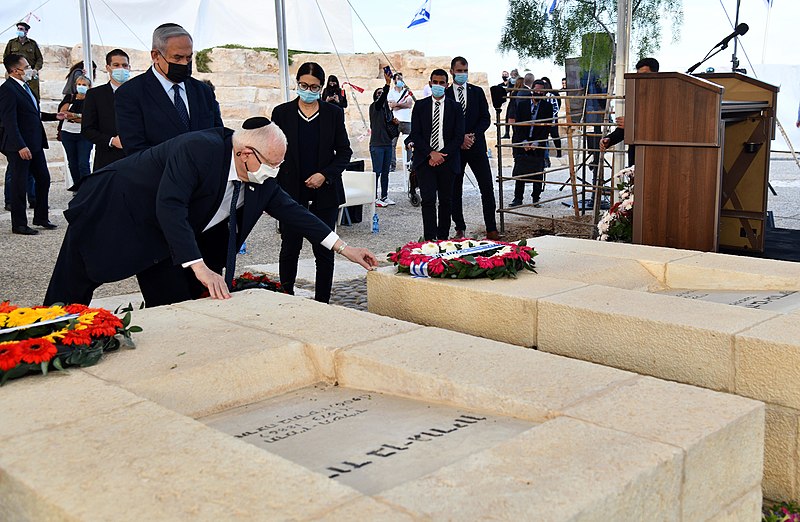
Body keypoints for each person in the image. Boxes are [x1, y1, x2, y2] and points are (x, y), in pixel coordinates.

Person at [44, 118, 377, 307]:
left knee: (176, 306)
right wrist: (199, 266)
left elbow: (294, 212)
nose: (274, 172)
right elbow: (170, 205)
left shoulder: (258, 176)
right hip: (112, 210)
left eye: (280, 165)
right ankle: (41, 351)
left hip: (165, 236)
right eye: (270, 164)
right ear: (246, 153)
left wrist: (345, 248)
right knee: (71, 292)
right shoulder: (198, 149)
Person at [271, 62, 352, 304]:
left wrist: (324, 175)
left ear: (322, 88)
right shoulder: (281, 113)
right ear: (297, 84)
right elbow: (272, 152)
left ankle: (322, 302)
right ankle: (287, 296)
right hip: (290, 193)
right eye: (304, 85)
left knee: (325, 251)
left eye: (314, 87)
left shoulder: (333, 113)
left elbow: (344, 152)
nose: (309, 91)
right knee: (289, 249)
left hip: (324, 193)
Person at [115, 23, 222, 155]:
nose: (184, 63)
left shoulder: (203, 92)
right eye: (177, 58)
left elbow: (218, 136)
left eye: (188, 58)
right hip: (159, 174)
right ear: (155, 56)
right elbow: (135, 150)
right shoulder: (130, 93)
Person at [0, 54, 62, 235]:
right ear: (15, 70)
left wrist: (53, 117)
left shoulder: (26, 87)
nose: (30, 69)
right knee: (19, 184)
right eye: (26, 67)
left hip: (34, 144)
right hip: (19, 146)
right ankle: (19, 224)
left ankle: (41, 217)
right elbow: (9, 121)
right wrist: (20, 145)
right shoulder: (7, 90)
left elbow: (32, 113)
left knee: (43, 179)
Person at [406, 69, 465, 240]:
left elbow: (458, 136)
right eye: (435, 82)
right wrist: (431, 154)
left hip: (448, 161)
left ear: (447, 85)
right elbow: (415, 134)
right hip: (425, 161)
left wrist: (441, 155)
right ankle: (430, 239)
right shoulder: (420, 106)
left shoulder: (455, 107)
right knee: (428, 200)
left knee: (446, 202)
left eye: (442, 82)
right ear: (430, 83)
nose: (438, 85)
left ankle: (443, 239)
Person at [445, 56, 498, 240]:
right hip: (455, 149)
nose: (462, 74)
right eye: (459, 71)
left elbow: (485, 118)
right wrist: (459, 139)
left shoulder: (477, 92)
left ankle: (491, 228)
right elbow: (444, 123)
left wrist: (472, 135)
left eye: (465, 70)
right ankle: (459, 227)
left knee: (487, 187)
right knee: (455, 190)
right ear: (452, 71)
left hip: (476, 147)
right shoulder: (445, 94)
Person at [600, 57, 660, 166]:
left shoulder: (664, 98)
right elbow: (625, 127)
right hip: (636, 156)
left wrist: (633, 124)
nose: (640, 79)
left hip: (655, 155)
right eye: (638, 75)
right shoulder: (634, 97)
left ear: (655, 75)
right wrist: (610, 139)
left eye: (645, 75)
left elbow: (661, 125)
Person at [81, 49, 131, 170]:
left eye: (124, 65)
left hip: (135, 159)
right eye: (116, 65)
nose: (121, 68)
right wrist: (112, 141)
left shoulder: (139, 92)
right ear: (108, 68)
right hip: (107, 160)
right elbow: (87, 129)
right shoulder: (95, 95)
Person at [509, 79, 554, 208]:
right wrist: (524, 142)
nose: (538, 92)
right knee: (520, 170)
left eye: (541, 90)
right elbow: (518, 125)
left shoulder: (547, 106)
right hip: (522, 141)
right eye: (536, 89)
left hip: (538, 142)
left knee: (538, 171)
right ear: (532, 90)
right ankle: (518, 198)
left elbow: (546, 127)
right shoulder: (522, 105)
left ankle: (536, 198)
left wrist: (536, 143)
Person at [58, 75, 93, 190]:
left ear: (89, 86)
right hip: (68, 133)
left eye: (84, 85)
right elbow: (63, 113)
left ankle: (87, 188)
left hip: (84, 134)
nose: (81, 87)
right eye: (79, 84)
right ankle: (77, 187)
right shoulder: (70, 97)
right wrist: (78, 117)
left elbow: (89, 118)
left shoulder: (91, 99)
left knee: (83, 162)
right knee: (72, 162)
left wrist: (73, 116)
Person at [369, 69, 396, 207]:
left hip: (387, 144)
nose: (381, 95)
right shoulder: (375, 107)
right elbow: (380, 100)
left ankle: (384, 196)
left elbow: (392, 130)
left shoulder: (387, 111)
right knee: (377, 172)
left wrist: (394, 123)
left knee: (386, 172)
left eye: (382, 93)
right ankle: (374, 197)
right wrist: (387, 84)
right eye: (378, 93)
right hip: (377, 144)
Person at [4, 22, 43, 102]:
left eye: (21, 29)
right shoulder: (12, 43)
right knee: (13, 93)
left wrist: (35, 70)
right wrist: (10, 70)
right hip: (16, 73)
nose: (19, 30)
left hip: (30, 73)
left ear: (26, 31)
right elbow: (6, 58)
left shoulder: (32, 44)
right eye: (18, 29)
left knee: (33, 96)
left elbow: (39, 59)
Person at [387, 72, 413, 172]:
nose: (400, 81)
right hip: (395, 120)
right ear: (394, 81)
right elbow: (391, 105)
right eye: (398, 79)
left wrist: (397, 104)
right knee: (392, 144)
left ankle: (409, 164)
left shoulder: (407, 91)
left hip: (406, 120)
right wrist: (402, 104)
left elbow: (409, 104)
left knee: (409, 144)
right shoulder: (391, 92)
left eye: (401, 79)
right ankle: (392, 165)